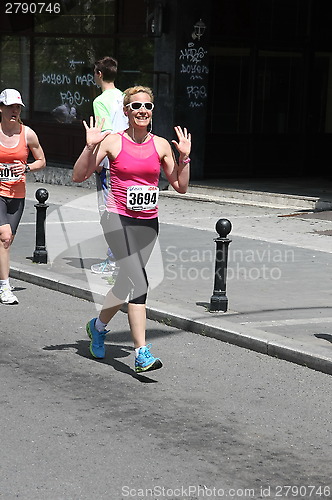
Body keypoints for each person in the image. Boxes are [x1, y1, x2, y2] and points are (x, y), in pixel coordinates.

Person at [73, 85, 191, 372]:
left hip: (148, 222)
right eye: (136, 106)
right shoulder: (113, 141)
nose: (142, 111)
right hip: (116, 217)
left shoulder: (161, 145)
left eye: (147, 107)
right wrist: (90, 147)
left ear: (152, 113)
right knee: (140, 283)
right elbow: (79, 175)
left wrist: (185, 158)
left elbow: (181, 186)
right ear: (126, 111)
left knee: (126, 282)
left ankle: (98, 326)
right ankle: (141, 353)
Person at [0, 88, 46, 304]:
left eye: (18, 107)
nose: (14, 111)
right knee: (5, 236)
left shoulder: (27, 133)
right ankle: (4, 287)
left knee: (7, 243)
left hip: (17, 194)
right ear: (1, 108)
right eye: (10, 106)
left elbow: (41, 161)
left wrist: (27, 168)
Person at [91, 56, 128, 275]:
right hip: (126, 158)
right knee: (122, 210)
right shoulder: (124, 97)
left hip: (108, 162)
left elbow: (103, 133)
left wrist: (96, 162)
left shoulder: (100, 101)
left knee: (108, 212)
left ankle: (114, 259)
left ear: (99, 74)